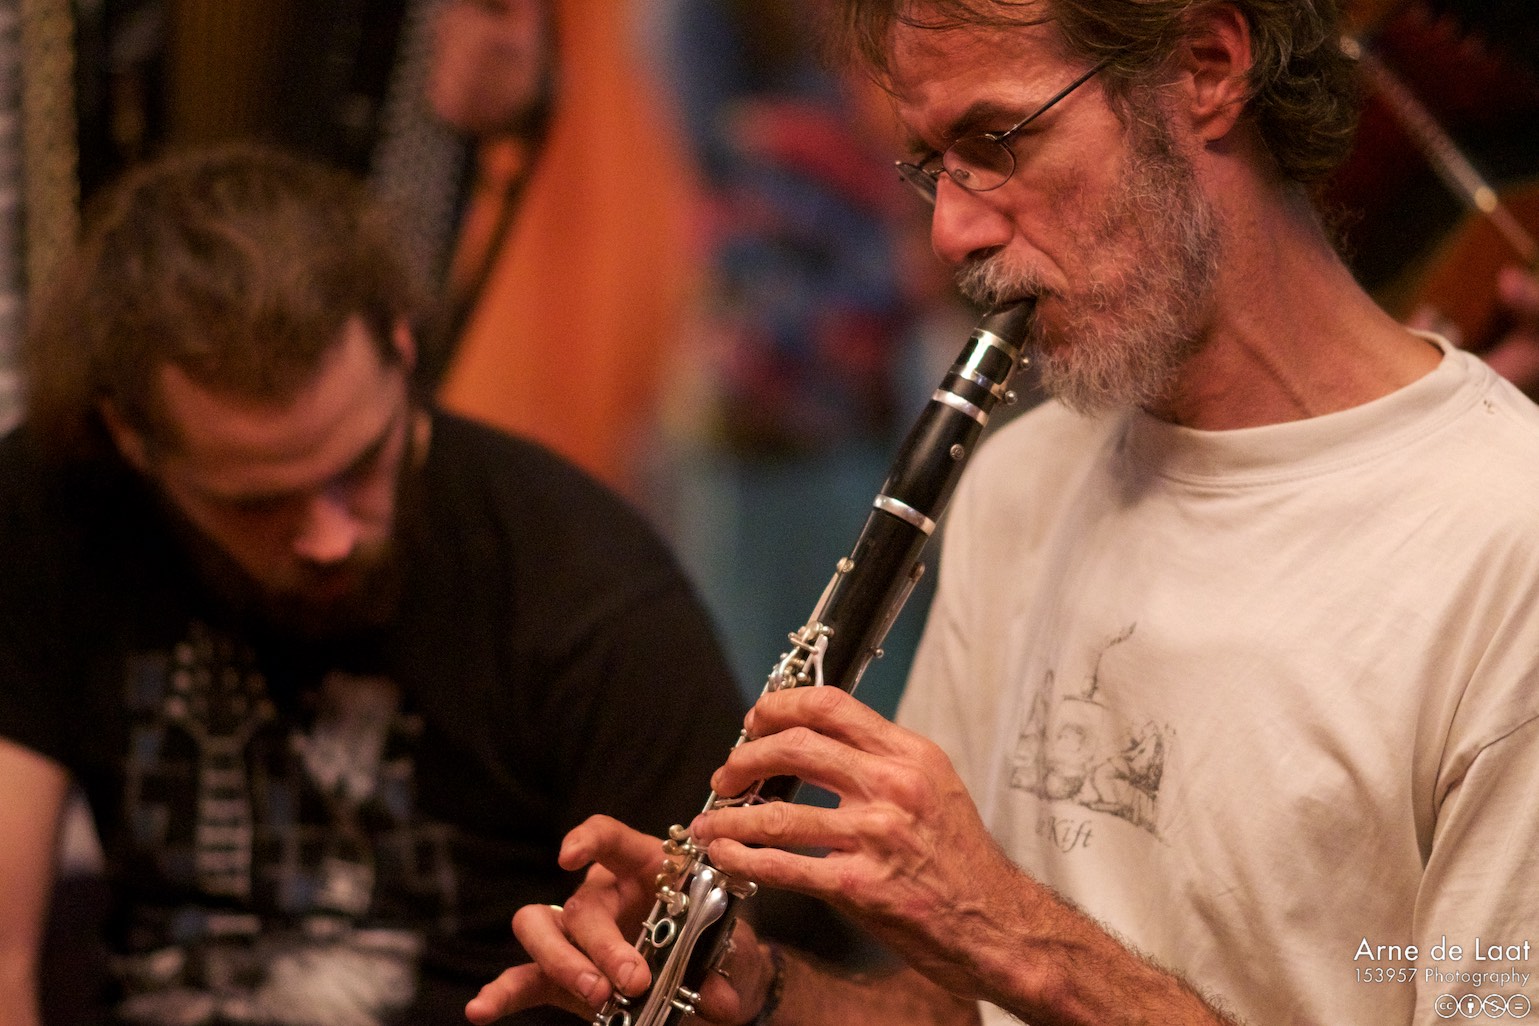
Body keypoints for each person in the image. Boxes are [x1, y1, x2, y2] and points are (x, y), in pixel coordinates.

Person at [466, 1, 1539, 1025]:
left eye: (998, 141)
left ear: (1208, 67)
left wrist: (1012, 935)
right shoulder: (1017, 479)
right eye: (934, 165)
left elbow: (1007, 950)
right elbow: (960, 1003)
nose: (950, 232)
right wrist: (763, 994)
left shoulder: (1505, 541)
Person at [0, 144, 747, 1026]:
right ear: (132, 439)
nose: (330, 540)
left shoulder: (591, 591)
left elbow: (712, 983)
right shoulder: (52, 508)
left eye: (358, 467)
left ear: (401, 347)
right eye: (258, 504)